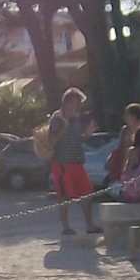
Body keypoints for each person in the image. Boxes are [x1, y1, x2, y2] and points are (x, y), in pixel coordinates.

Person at [46, 88, 100, 237]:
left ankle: (89, 225)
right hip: (62, 164)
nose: (78, 106)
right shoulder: (58, 118)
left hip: (77, 162)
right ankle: (66, 227)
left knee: (87, 193)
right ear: (67, 102)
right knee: (64, 196)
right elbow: (51, 140)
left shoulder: (75, 118)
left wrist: (87, 134)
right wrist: (63, 127)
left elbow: (77, 139)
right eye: (76, 103)